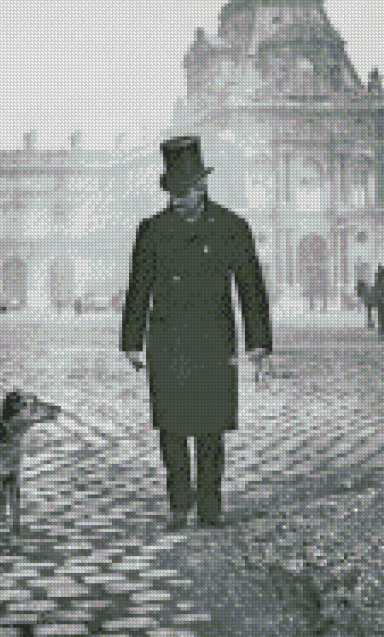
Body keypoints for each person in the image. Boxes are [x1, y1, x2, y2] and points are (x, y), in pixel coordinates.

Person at [120, 136, 273, 531]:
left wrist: (258, 342)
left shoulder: (231, 227)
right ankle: (178, 504)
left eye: (184, 192)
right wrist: (132, 342)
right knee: (171, 427)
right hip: (166, 340)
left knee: (210, 427)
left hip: (213, 339)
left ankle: (210, 505)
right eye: (172, 193)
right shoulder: (151, 230)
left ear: (202, 185)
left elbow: (251, 288)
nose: (178, 201)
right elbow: (139, 287)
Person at [375, 265, 384, 340]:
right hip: (381, 302)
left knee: (381, 318)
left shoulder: (379, 281)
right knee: (381, 318)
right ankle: (381, 333)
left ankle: (381, 333)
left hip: (380, 301)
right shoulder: (379, 281)